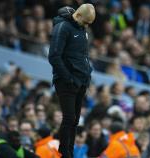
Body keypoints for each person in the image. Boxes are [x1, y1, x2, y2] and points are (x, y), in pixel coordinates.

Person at [48, 4, 96, 158]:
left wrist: (87, 75)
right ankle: (65, 153)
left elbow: (83, 56)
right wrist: (68, 78)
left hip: (81, 81)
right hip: (66, 81)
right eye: (87, 22)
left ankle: (69, 151)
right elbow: (54, 56)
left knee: (75, 120)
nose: (88, 26)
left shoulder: (82, 29)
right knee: (69, 118)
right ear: (79, 15)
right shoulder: (62, 27)